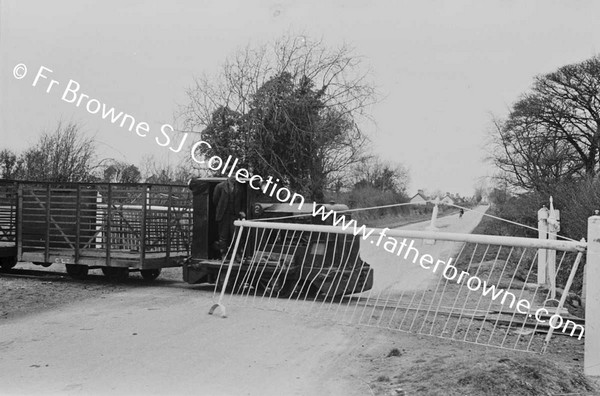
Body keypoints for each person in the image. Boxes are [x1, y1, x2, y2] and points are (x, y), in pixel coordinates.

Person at [213, 176, 245, 258]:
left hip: (235, 215)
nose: (233, 177)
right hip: (223, 215)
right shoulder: (220, 186)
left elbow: (242, 200)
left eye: (235, 175)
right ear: (228, 175)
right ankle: (223, 254)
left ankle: (237, 254)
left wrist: (241, 211)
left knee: (236, 234)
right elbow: (215, 200)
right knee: (223, 235)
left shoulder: (240, 187)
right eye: (232, 174)